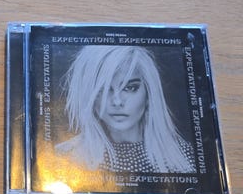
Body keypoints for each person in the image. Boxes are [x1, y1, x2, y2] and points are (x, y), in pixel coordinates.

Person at [56, 45, 196, 173]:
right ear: (89, 95)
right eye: (103, 89)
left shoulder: (185, 157)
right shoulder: (64, 156)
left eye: (130, 88)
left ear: (149, 93)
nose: (117, 102)